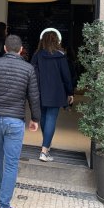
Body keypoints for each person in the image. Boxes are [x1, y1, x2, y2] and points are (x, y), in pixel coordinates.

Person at [0, 35, 40, 208]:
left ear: (5, 48)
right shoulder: (28, 68)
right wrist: (35, 118)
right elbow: (34, 96)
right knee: (11, 162)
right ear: (21, 50)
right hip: (14, 120)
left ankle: (0, 190)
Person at [31, 28, 73, 162]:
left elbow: (31, 73)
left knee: (44, 117)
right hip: (56, 92)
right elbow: (66, 76)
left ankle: (46, 145)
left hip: (40, 91)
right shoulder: (61, 56)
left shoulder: (37, 55)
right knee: (51, 119)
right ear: (57, 41)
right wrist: (70, 92)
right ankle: (44, 151)